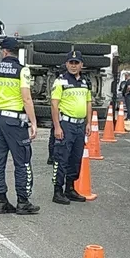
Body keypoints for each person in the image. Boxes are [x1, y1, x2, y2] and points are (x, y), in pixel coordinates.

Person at [0, 37, 39, 215]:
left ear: (3, 52)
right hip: (15, 121)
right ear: (16, 51)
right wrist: (33, 122)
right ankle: (23, 202)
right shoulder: (22, 70)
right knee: (22, 161)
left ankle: (1, 201)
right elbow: (26, 98)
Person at [50, 50, 91, 205]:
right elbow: (54, 105)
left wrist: (88, 123)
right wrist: (57, 127)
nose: (73, 66)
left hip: (80, 126)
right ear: (66, 64)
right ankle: (58, 191)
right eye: (71, 62)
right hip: (66, 124)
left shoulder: (85, 82)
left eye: (76, 63)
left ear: (82, 64)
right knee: (62, 158)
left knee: (76, 158)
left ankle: (70, 188)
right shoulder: (60, 81)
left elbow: (88, 103)